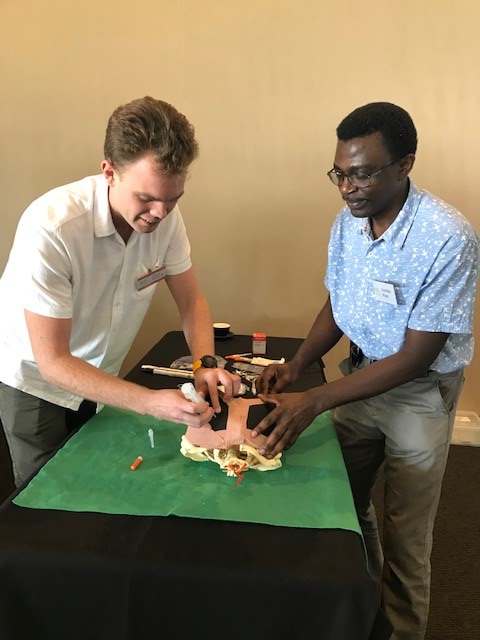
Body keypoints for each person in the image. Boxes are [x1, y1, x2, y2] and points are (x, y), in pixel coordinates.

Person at [253, 102, 478, 640]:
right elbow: (338, 300)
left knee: (408, 535)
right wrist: (300, 364)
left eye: (362, 173)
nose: (347, 188)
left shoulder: (449, 237)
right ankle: (356, 609)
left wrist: (315, 399)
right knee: (341, 507)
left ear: (405, 165)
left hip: (419, 395)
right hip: (357, 379)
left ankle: (400, 631)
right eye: (340, 173)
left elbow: (416, 356)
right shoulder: (348, 222)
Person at [0, 96, 239, 488]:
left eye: (173, 198)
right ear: (109, 172)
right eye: (146, 198)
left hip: (99, 371)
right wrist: (150, 402)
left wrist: (205, 364)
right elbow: (54, 362)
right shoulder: (52, 227)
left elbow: (192, 301)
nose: (160, 214)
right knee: (49, 492)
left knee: (95, 477)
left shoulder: (166, 218)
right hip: (33, 379)